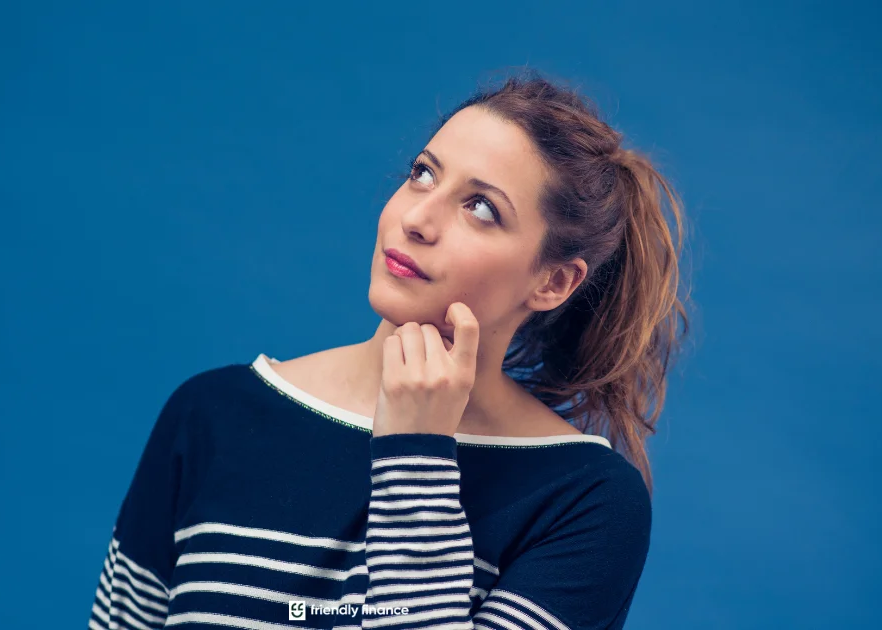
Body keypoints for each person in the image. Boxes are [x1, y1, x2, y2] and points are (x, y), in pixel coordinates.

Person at [88, 70, 691, 630]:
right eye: (423, 173)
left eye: (480, 208)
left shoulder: (587, 501)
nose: (418, 218)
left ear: (553, 282)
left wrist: (416, 458)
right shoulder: (212, 415)